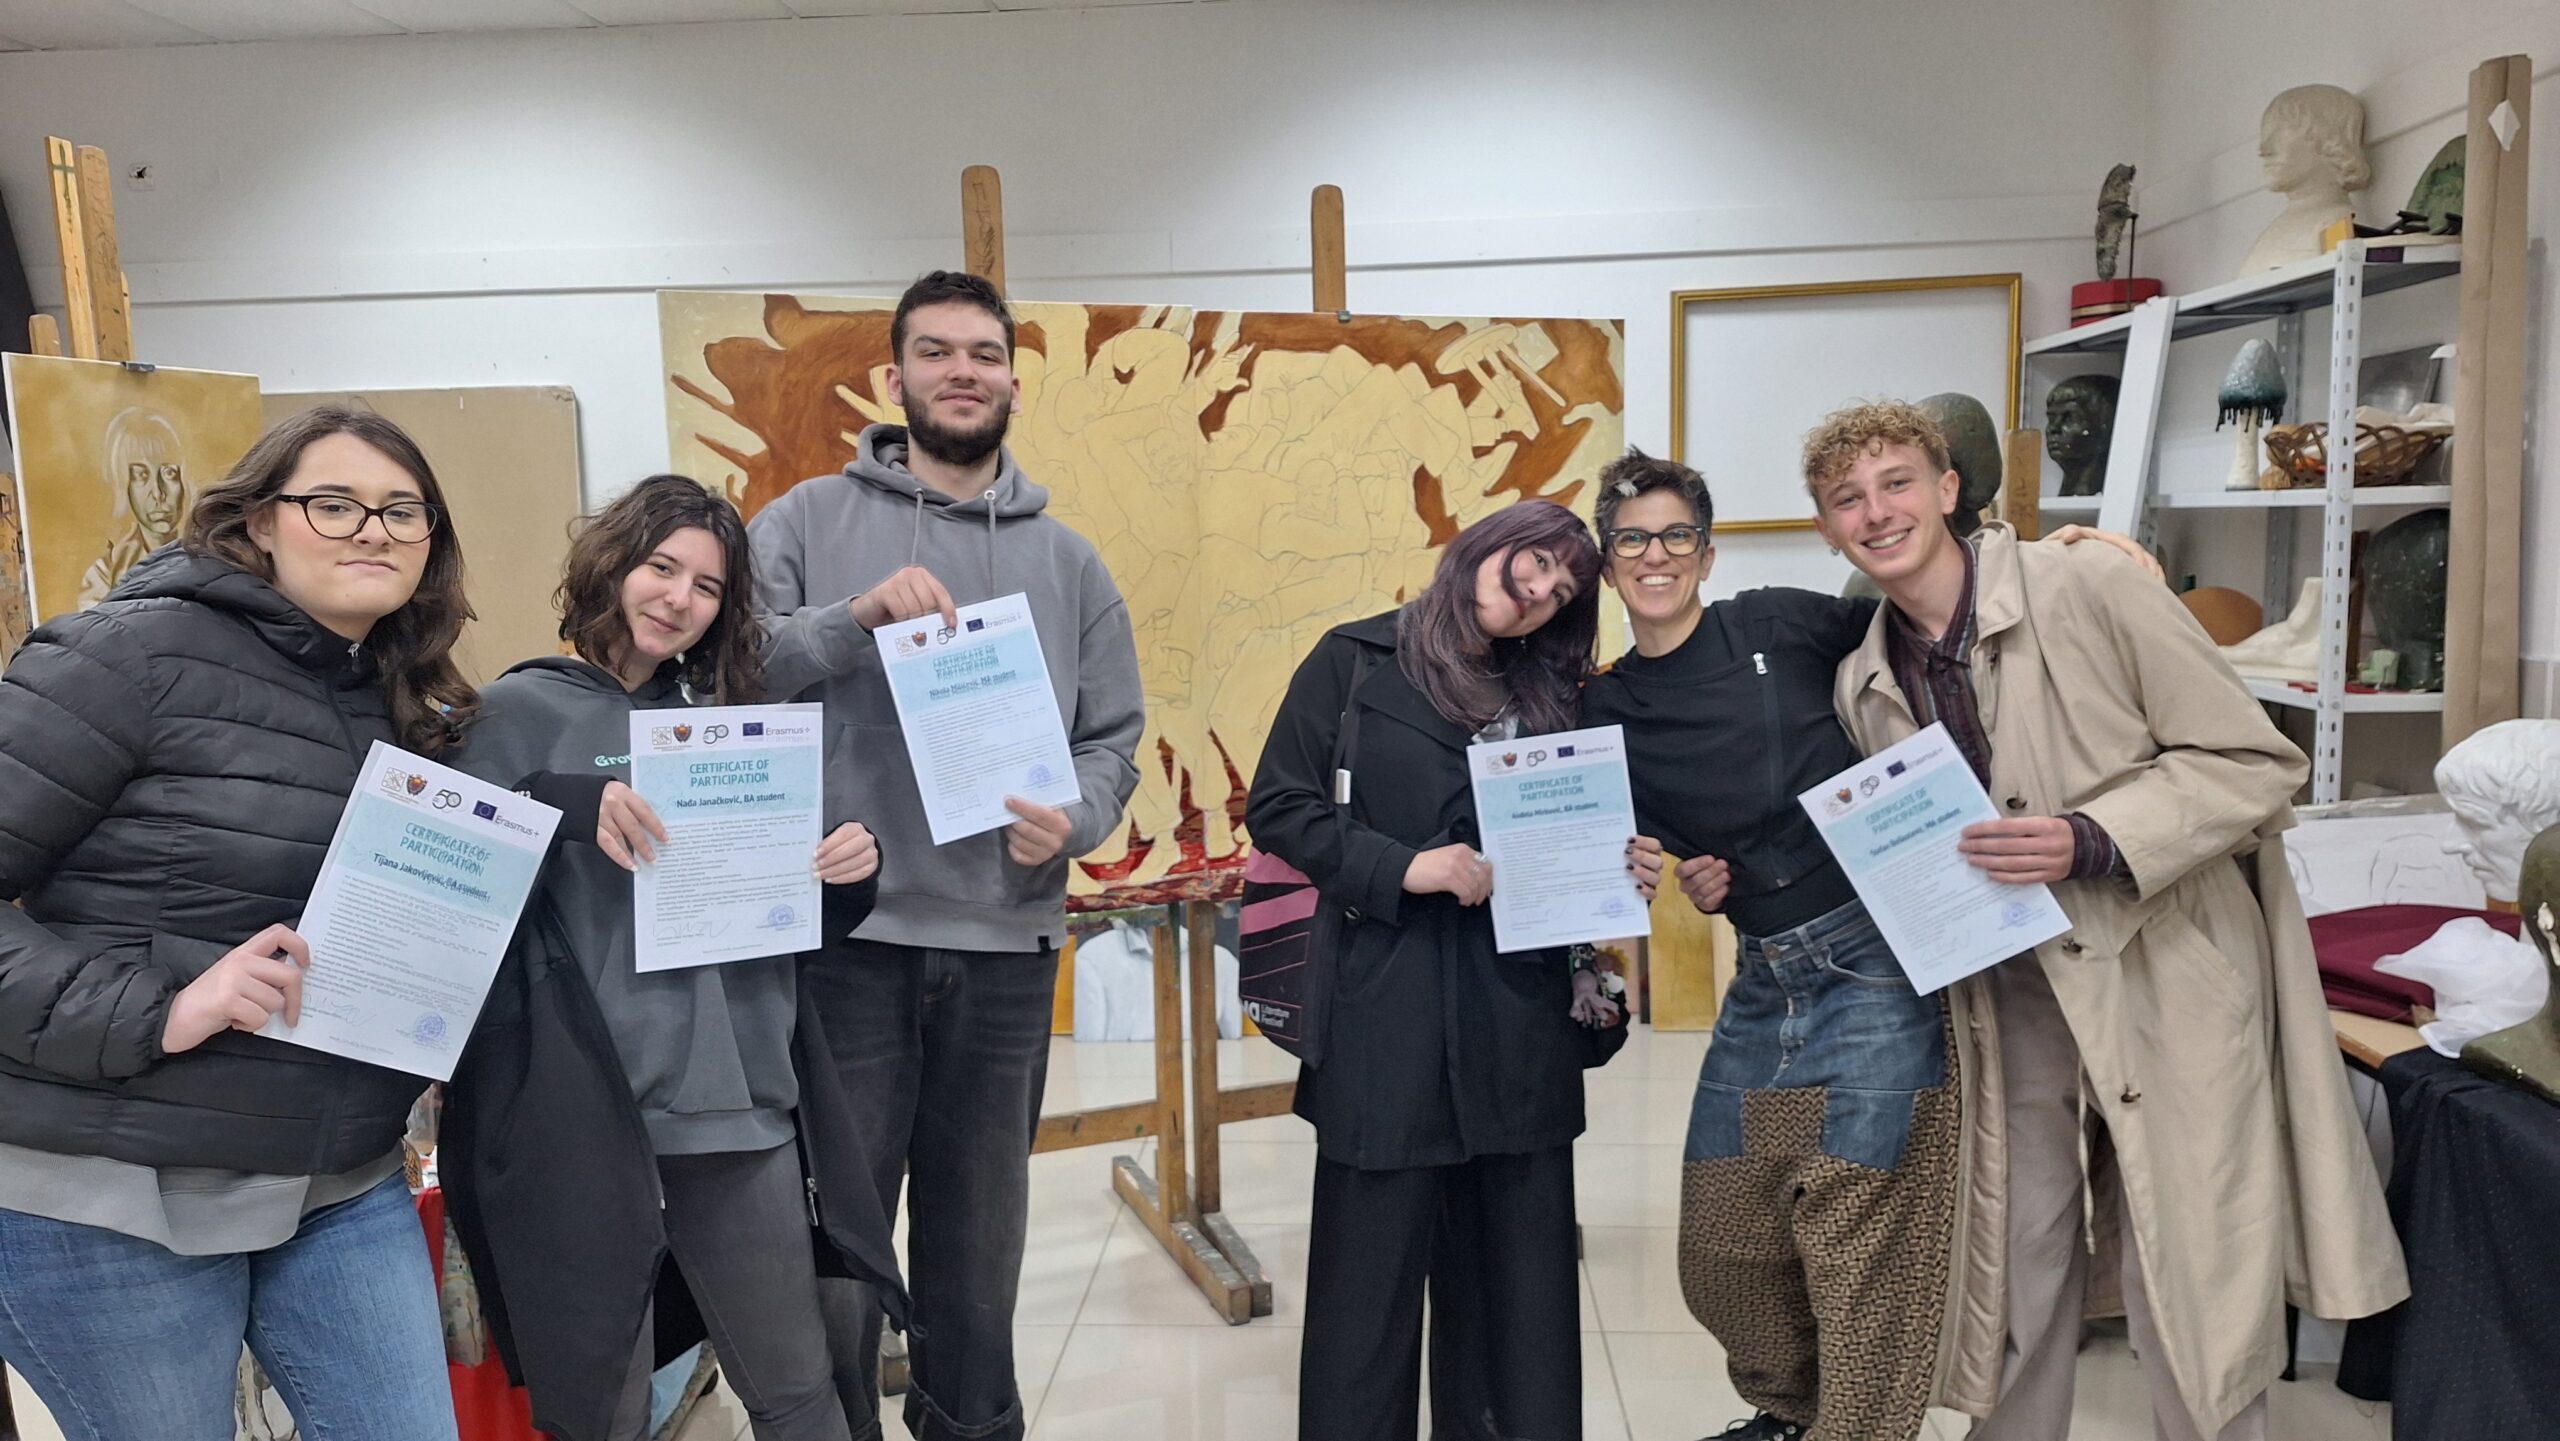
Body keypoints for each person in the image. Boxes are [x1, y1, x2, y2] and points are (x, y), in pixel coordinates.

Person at [1808, 399, 2407, 1441]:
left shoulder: (2091, 586)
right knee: (2020, 1241)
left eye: (1896, 482)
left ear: (1947, 489)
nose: (1877, 512)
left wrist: (2088, 838)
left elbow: (2255, 763)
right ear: (1827, 527)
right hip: (2008, 989)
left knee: (2188, 1250)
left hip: (2165, 963)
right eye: (1846, 499)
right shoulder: (1862, 681)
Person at [0, 407, 474, 1441]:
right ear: (259, 520)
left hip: (338, 1176)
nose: (374, 530)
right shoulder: (126, 656)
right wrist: (157, 1010)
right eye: (334, 503)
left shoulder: (401, 696)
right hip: (113, 1193)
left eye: (403, 511)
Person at [748, 270, 1146, 1441]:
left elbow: (1113, 738)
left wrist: (1077, 817)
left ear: (1013, 380)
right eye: (936, 352)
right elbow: (731, 672)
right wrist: (854, 618)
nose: (961, 372)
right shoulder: (804, 523)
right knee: (840, 1245)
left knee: (978, 1250)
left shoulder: (1068, 562)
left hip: (1005, 945)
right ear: (894, 376)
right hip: (847, 941)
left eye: (984, 353)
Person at [442, 474, 906, 1441]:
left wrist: (846, 874)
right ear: (612, 564)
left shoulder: (729, 723)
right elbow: (449, 887)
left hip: (734, 1101)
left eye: (706, 585)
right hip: (581, 1117)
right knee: (599, 1409)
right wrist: (559, 803)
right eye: (661, 567)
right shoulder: (510, 713)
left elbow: (779, 913)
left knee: (797, 1386)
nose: (678, 598)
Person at [1246, 501, 1664, 1441]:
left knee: (1519, 1308)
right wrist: (1404, 867)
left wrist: (1623, 864)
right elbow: (1279, 805)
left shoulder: (1557, 692)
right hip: (1384, 1015)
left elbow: (1590, 829)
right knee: (1366, 1303)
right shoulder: (1356, 661)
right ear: (1486, 542)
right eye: (1536, 561)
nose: (1541, 590)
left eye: (1563, 589)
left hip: (1518, 1021)